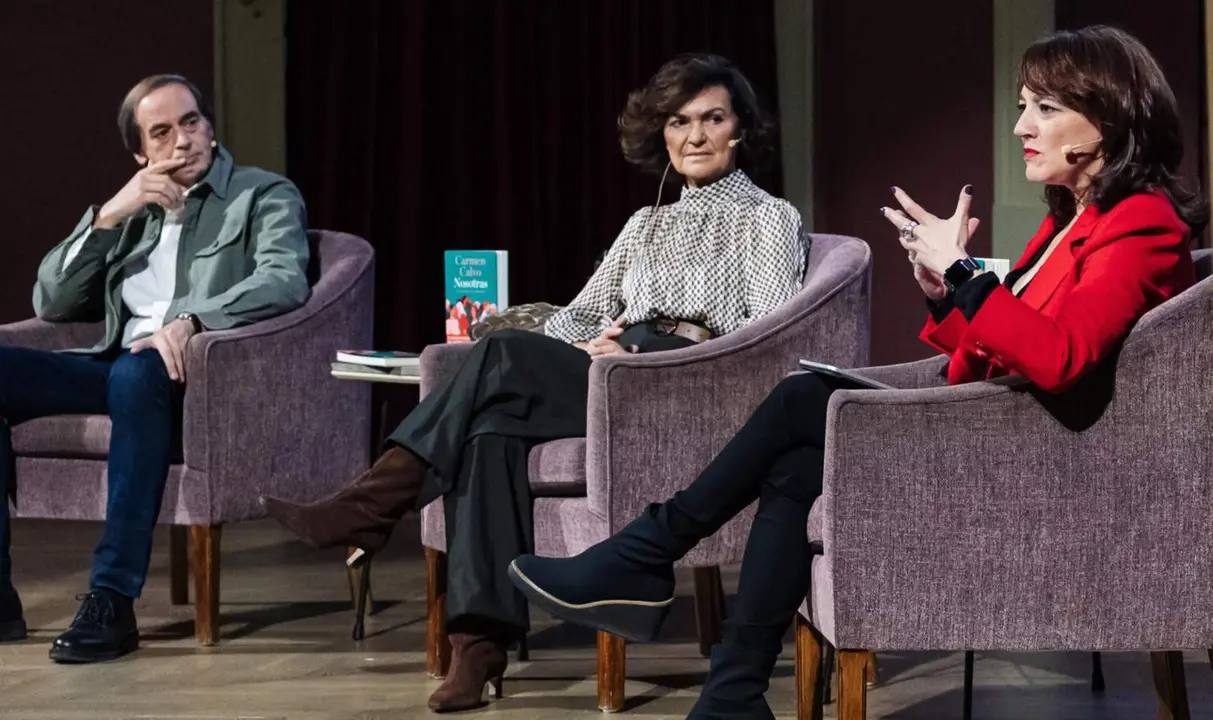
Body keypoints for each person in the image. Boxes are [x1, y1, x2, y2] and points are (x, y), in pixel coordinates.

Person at [506, 25, 1207, 719]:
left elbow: (1060, 360)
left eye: (1044, 107)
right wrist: (944, 289)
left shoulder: (1139, 223)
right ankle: (731, 694)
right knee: (795, 461)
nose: (1021, 123)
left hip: (1043, 460)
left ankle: (647, 552)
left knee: (801, 398)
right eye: (1022, 103)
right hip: (997, 429)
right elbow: (989, 356)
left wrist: (965, 275)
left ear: (1109, 118)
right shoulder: (1069, 220)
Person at [261, 53, 809, 712]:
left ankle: (371, 505)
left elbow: (770, 333)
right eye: (678, 120)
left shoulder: (767, 217)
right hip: (608, 371)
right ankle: (480, 651)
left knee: (492, 362)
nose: (693, 136)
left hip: (678, 385)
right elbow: (580, 311)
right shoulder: (645, 224)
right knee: (490, 430)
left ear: (740, 130)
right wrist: (577, 346)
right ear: (660, 133)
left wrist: (671, 346)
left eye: (711, 119)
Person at [0, 74, 309, 663]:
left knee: (138, 371)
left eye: (191, 123)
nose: (182, 142)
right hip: (114, 370)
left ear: (211, 129)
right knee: (112, 370)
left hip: (191, 377)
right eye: (162, 132)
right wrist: (110, 215)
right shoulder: (135, 214)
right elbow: (53, 303)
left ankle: (112, 599)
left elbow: (283, 280)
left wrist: (193, 321)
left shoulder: (261, 194)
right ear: (141, 152)